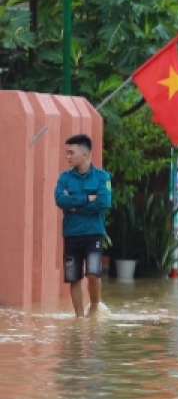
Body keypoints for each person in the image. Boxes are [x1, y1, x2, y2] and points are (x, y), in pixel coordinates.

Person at [55, 134, 111, 318]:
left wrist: (74, 207)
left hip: (94, 233)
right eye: (67, 153)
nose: (68, 156)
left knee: (93, 274)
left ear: (85, 154)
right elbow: (60, 199)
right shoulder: (64, 178)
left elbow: (103, 202)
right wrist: (87, 199)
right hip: (71, 233)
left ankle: (94, 307)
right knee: (74, 277)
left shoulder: (102, 177)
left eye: (71, 153)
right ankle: (79, 318)